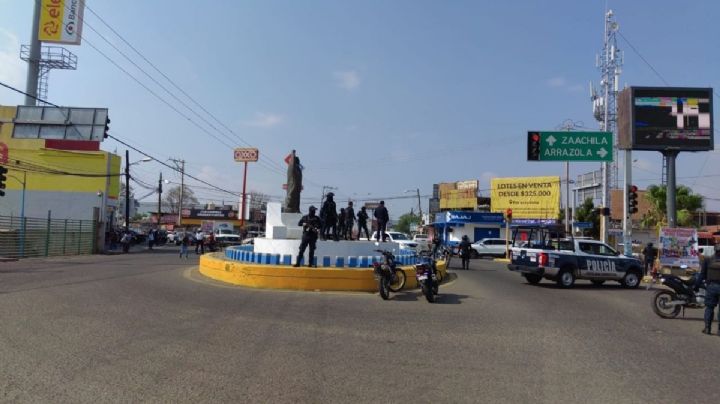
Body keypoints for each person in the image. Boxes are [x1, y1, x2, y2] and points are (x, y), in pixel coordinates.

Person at [697, 248, 720, 335]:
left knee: (709, 308)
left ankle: (707, 328)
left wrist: (697, 285)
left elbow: (702, 275)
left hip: (711, 287)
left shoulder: (707, 260)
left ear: (715, 251)